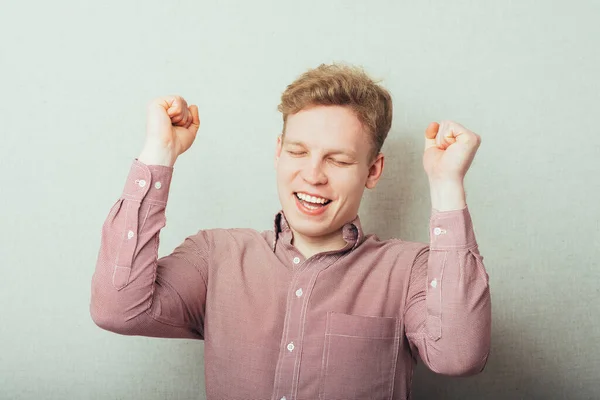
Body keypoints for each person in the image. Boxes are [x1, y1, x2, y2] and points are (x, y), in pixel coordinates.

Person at [90, 63, 491, 400]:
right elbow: (118, 309)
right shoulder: (215, 256)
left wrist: (447, 185)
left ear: (373, 171)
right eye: (298, 152)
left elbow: (458, 355)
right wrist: (160, 151)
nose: (312, 175)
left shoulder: (409, 271)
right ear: (278, 151)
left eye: (337, 159)